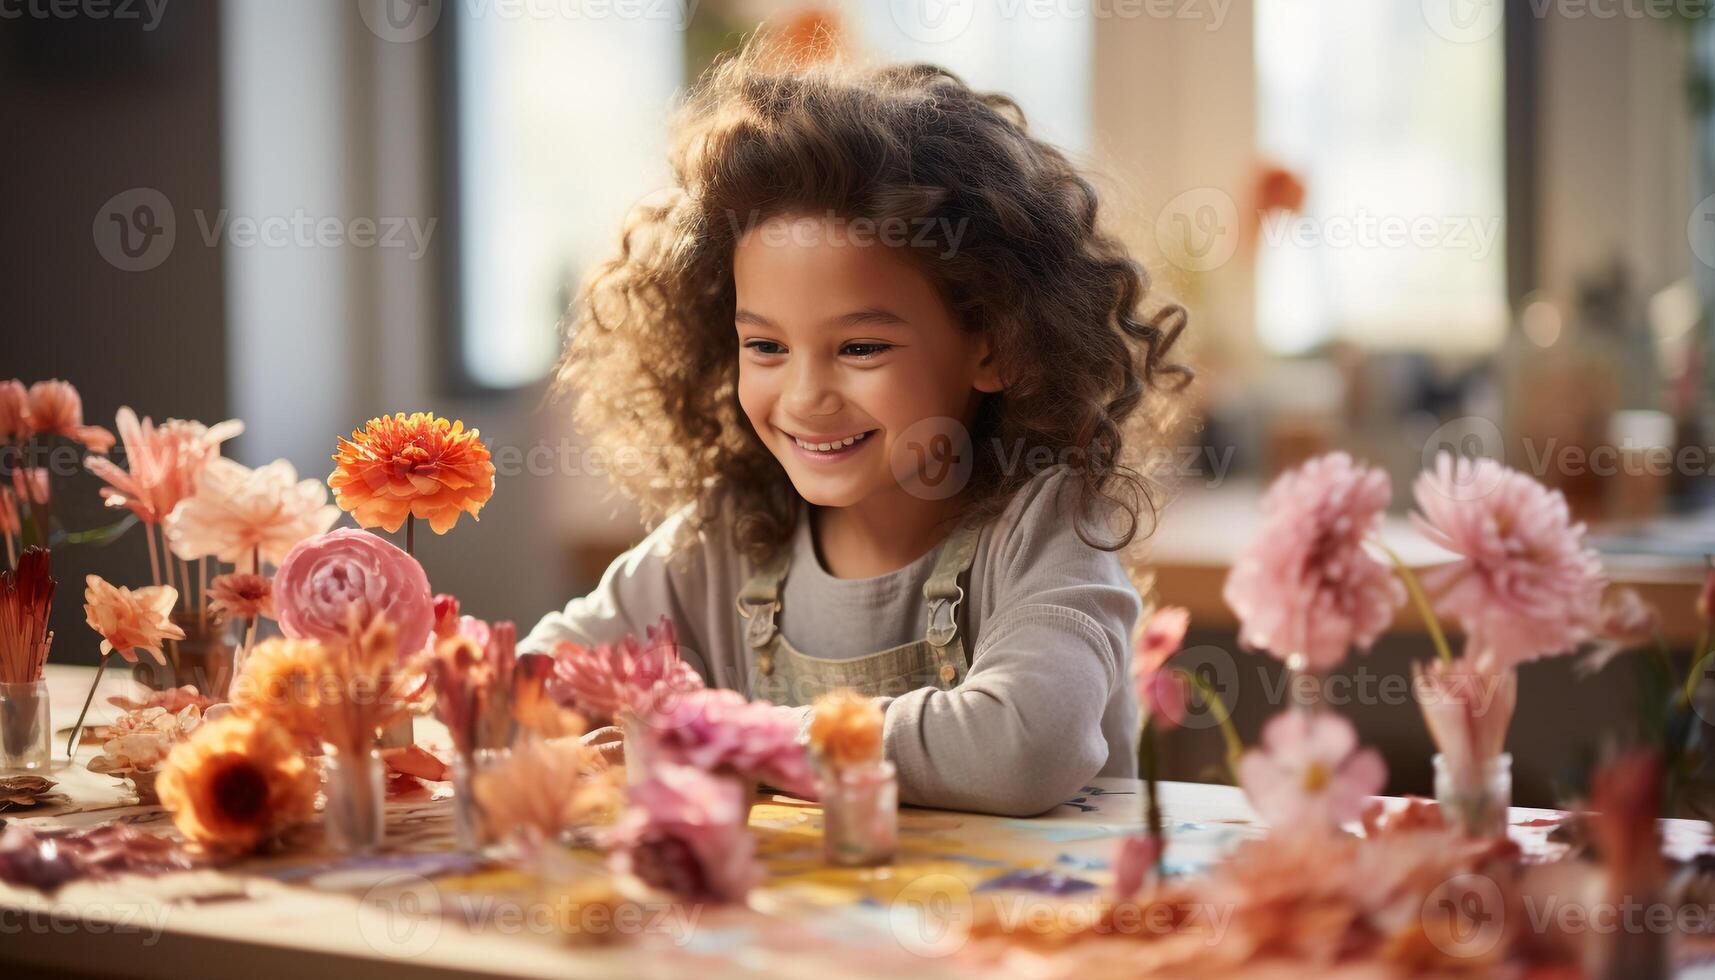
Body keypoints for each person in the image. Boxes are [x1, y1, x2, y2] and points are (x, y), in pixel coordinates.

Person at [520, 45, 1192, 817]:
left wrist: (735, 737)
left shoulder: (1044, 528)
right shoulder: (725, 537)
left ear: (993, 344)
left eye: (860, 348)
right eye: (765, 347)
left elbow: (1026, 745)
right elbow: (539, 676)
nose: (805, 397)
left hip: (1017, 930)